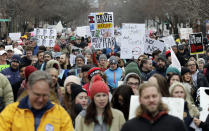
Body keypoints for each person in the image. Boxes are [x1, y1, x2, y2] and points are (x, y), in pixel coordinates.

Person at [0, 70, 74, 130]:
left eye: (45, 95)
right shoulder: (11, 112)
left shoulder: (60, 114)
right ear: (28, 89)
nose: (40, 100)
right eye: (37, 94)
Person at [121, 82, 186, 131]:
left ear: (160, 97)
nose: (151, 100)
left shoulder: (176, 124)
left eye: (154, 96)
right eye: (147, 97)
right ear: (140, 100)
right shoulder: (129, 127)